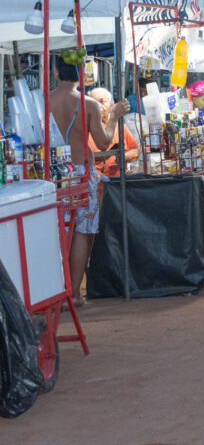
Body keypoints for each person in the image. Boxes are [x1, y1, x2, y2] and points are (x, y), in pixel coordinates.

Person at [50, 58, 129, 306]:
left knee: (55, 231)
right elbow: (104, 142)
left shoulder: (43, 101)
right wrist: (114, 116)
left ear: (55, 72)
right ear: (81, 75)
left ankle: (55, 293)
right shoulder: (89, 104)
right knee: (81, 232)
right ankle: (73, 294)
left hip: (52, 173)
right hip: (81, 170)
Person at [87, 88, 140, 177]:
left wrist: (123, 157)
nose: (98, 106)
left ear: (112, 105)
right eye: (94, 103)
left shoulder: (120, 127)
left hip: (118, 181)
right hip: (97, 183)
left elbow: (136, 149)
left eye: (102, 102)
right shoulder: (86, 130)